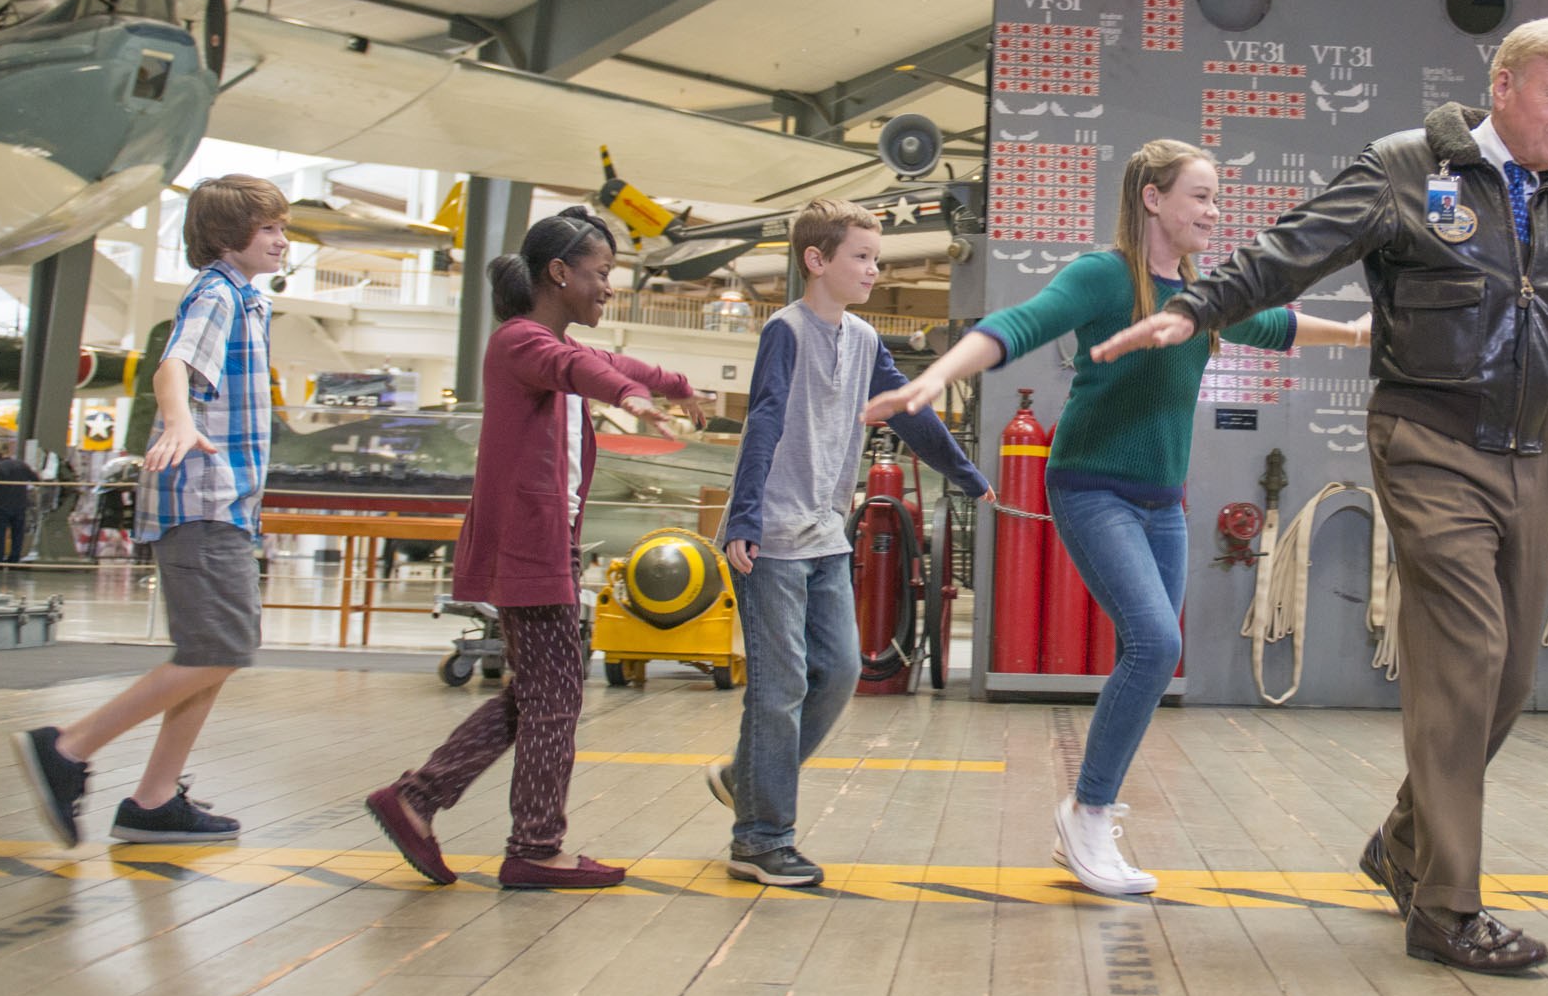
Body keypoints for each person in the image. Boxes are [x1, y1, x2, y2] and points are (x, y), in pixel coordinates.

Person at [1095, 18, 1548, 975]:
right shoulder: (1405, 170)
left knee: (1510, 679)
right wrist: (1194, 305)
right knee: (1467, 657)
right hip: (1430, 444)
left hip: (1532, 457)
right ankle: (1445, 908)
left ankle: (1399, 849)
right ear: (1506, 85)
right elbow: (1292, 248)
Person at [865, 140, 1367, 894]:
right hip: (1090, 488)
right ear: (1153, 200)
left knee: (1154, 657)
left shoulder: (1204, 293)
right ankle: (1088, 813)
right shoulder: (1104, 277)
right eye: (1200, 196)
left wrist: (1359, 334)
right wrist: (934, 376)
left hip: (1162, 500)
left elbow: (1278, 324)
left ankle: (1089, 813)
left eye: (1217, 199)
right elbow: (1020, 323)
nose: (1214, 211)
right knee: (1156, 638)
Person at [367, 208, 695, 890]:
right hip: (528, 546)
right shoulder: (523, 343)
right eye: (601, 274)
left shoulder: (556, 344)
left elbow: (610, 362)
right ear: (559, 272)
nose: (608, 287)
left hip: (543, 545)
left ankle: (418, 799)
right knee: (557, 698)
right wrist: (633, 398)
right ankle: (534, 846)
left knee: (541, 693)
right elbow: (582, 368)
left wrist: (674, 385)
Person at [9, 176, 291, 847]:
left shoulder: (248, 301)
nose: (283, 241)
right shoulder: (217, 293)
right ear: (229, 238)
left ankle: (155, 797)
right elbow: (173, 366)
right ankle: (69, 747)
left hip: (226, 504)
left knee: (215, 650)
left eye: (284, 229)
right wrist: (175, 421)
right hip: (201, 501)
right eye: (270, 229)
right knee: (221, 647)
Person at [713, 200, 988, 888]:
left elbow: (908, 410)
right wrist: (743, 516)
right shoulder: (785, 331)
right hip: (771, 534)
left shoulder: (864, 339)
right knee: (777, 690)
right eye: (861, 257)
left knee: (837, 674)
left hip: (826, 533)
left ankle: (746, 778)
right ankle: (762, 836)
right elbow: (765, 423)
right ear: (817, 261)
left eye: (875, 258)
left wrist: (967, 474)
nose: (873, 269)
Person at [0, 448, 39, 567]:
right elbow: (36, 480)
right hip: (20, 505)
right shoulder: (22, 465)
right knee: (17, 534)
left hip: (0, 506)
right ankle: (14, 559)